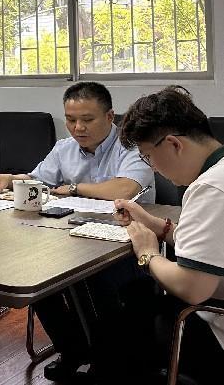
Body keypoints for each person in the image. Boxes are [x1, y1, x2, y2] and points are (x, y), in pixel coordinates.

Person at [0, 81, 154, 382]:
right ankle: (72, 349)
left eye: (87, 119)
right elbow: (38, 179)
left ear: (109, 116)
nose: (77, 128)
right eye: (71, 120)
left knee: (94, 280)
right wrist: (11, 178)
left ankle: (107, 358)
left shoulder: (132, 145)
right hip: (72, 236)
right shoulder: (64, 148)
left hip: (126, 243)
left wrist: (74, 188)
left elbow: (125, 188)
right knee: (38, 276)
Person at [91, 86, 224, 384]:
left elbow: (193, 288)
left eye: (149, 156)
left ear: (174, 144)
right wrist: (157, 226)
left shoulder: (210, 188)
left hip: (213, 325)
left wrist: (147, 253)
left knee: (114, 328)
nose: (154, 168)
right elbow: (213, 247)